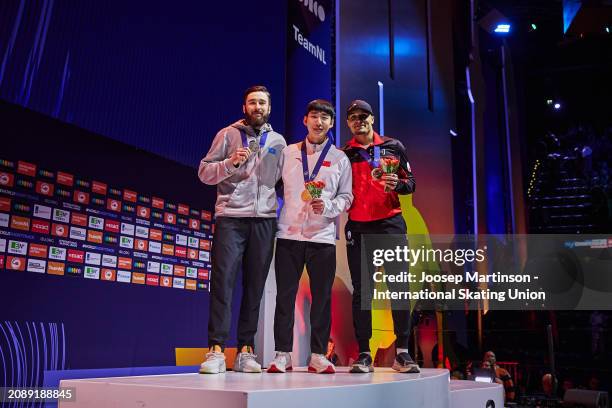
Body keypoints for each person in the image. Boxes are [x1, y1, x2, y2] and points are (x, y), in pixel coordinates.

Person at [197, 85, 287, 374]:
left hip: (264, 220)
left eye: (262, 103)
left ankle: (246, 350)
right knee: (223, 283)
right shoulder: (227, 134)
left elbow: (284, 182)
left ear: (269, 109)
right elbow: (204, 172)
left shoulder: (279, 142)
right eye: (252, 102)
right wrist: (230, 163)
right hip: (231, 218)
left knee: (255, 286)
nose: (257, 107)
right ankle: (216, 350)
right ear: (244, 107)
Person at [267, 99, 352, 374]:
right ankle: (283, 354)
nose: (319, 122)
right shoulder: (289, 152)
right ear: (305, 120)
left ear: (331, 123)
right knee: (285, 297)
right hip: (289, 234)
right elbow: (271, 184)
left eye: (325, 118)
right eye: (314, 116)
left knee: (322, 299)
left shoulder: (340, 158)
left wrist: (328, 207)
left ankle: (318, 354)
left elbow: (347, 196)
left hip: (322, 237)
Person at [341, 99, 419, 374]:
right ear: (348, 123)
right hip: (359, 228)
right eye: (353, 117)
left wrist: (398, 183)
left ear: (372, 118)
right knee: (363, 292)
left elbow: (411, 182)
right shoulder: (343, 154)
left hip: (390, 225)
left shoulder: (393, 146)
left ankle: (403, 353)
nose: (359, 120)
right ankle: (364, 353)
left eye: (363, 116)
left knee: (398, 286)